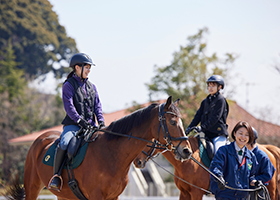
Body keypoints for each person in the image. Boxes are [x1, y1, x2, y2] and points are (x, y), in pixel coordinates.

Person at [48, 53, 105, 191]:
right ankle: (56, 176)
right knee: (65, 143)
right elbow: (69, 107)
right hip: (73, 125)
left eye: (89, 68)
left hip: (91, 126)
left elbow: (97, 106)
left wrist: (101, 122)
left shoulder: (92, 87)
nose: (88, 70)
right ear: (77, 68)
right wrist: (80, 120)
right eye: (86, 67)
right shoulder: (68, 85)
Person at [209, 121, 258, 200]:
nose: (243, 137)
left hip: (242, 197)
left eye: (246, 135)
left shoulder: (251, 157)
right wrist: (219, 177)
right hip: (224, 195)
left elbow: (251, 176)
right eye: (240, 133)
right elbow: (215, 167)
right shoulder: (223, 151)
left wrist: (255, 182)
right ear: (234, 133)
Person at [185, 75, 229, 152]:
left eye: (213, 85)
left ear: (219, 87)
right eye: (209, 85)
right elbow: (197, 116)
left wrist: (202, 127)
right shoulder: (205, 101)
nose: (210, 88)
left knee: (218, 152)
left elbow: (216, 117)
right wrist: (189, 128)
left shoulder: (221, 100)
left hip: (218, 134)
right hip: (206, 134)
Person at [246, 127, 275, 200]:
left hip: (257, 193)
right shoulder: (243, 154)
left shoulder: (262, 156)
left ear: (251, 140)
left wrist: (255, 180)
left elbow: (268, 175)